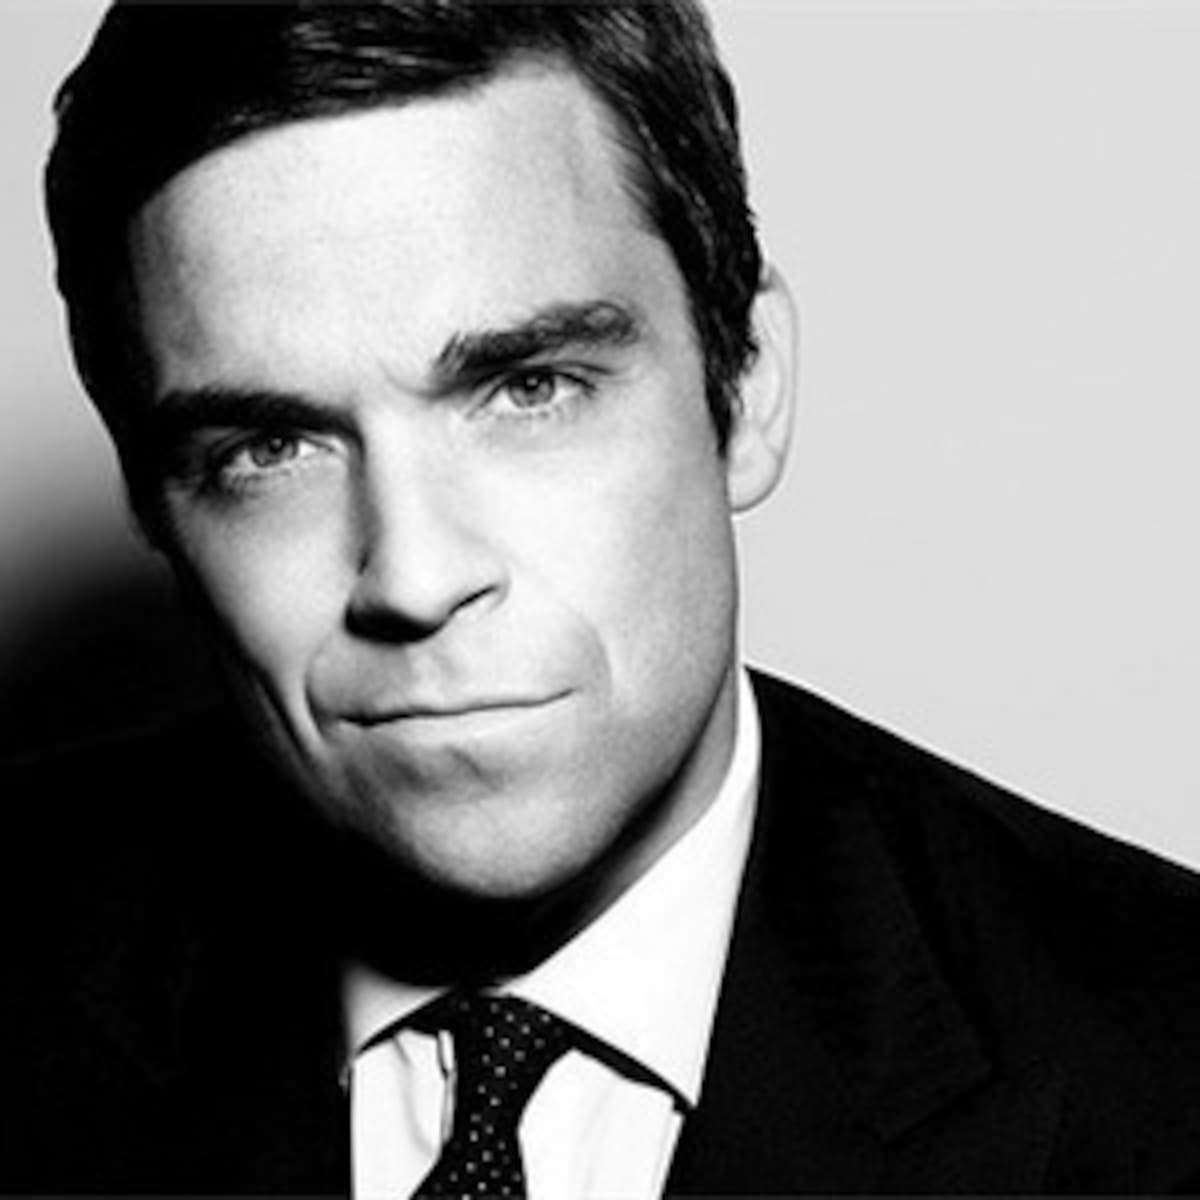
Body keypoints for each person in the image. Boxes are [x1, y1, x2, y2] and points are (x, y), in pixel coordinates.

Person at [3, 1, 1200, 1195]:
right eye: (270, 449)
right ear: (154, 505)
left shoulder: (1163, 1068)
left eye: (530, 388)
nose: (414, 579)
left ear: (745, 387)